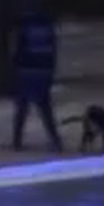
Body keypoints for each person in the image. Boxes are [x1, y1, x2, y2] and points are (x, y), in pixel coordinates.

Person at [11, 10, 64, 151]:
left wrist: (15, 67)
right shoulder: (49, 32)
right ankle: (55, 140)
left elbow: (18, 52)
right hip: (43, 73)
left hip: (25, 72)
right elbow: (53, 53)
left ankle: (17, 141)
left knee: (22, 108)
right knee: (45, 108)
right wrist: (50, 73)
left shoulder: (23, 31)